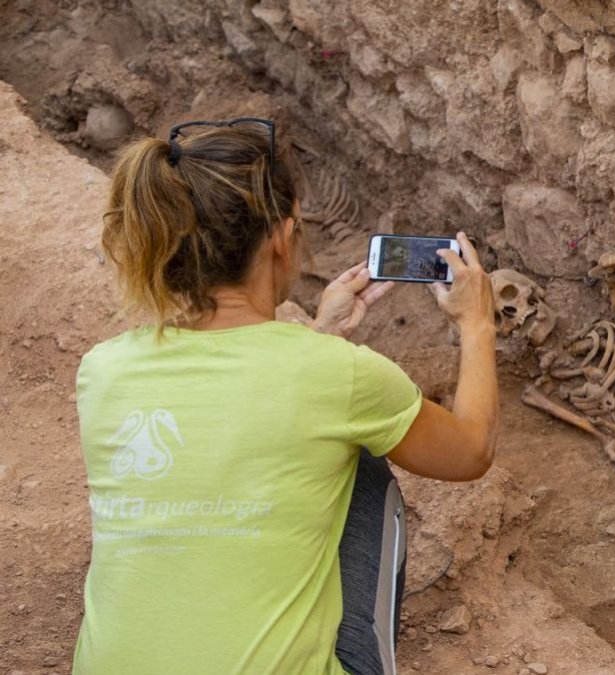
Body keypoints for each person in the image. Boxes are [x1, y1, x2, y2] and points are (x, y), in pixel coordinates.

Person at [72, 118, 498, 675]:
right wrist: (477, 322)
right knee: (361, 460)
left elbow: (234, 405)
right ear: (279, 238)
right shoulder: (338, 376)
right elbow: (470, 452)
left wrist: (320, 339)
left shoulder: (102, 370)